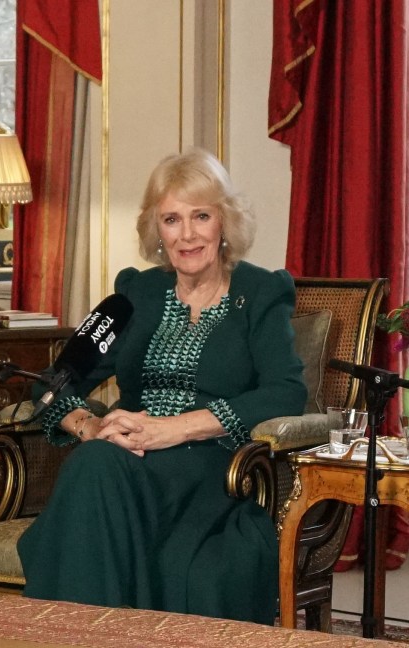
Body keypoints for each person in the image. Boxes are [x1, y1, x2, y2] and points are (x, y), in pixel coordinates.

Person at [16, 148, 306, 625]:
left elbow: (284, 394)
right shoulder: (133, 294)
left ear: (224, 223)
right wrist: (91, 424)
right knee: (96, 460)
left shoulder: (260, 293)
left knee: (95, 471)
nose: (187, 234)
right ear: (157, 230)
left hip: (213, 469)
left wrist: (176, 429)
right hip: (125, 459)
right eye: (172, 219)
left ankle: (68, 631)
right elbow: (51, 384)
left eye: (201, 216)